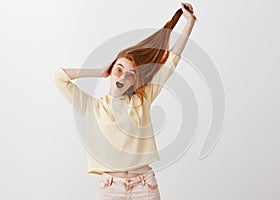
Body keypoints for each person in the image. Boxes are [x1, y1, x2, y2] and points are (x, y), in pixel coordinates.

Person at [53, 2, 196, 200]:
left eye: (130, 75)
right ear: (112, 70)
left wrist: (189, 23)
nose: (122, 77)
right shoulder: (92, 106)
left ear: (135, 81)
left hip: (144, 186)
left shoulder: (142, 100)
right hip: (110, 188)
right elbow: (58, 76)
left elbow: (171, 61)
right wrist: (100, 71)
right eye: (119, 69)